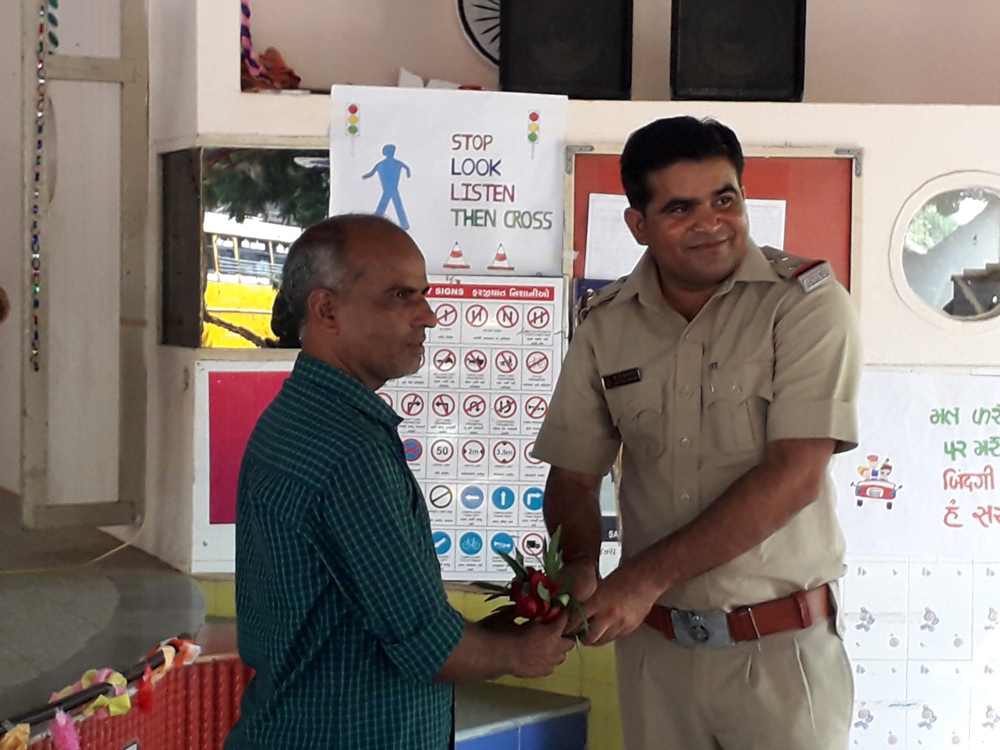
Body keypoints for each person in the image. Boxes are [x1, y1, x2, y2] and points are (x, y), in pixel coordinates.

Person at [533, 117, 861, 750]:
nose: (711, 222)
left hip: (779, 654)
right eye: (680, 208)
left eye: (724, 199)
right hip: (656, 655)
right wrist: (578, 563)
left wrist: (643, 578)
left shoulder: (805, 304)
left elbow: (795, 474)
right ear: (638, 224)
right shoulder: (605, 325)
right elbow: (573, 475)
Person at [226, 214, 573, 750]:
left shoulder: (302, 415)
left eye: (423, 294)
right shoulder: (347, 449)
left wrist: (509, 629)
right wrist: (522, 652)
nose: (428, 316)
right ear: (327, 310)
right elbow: (431, 649)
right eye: (399, 296)